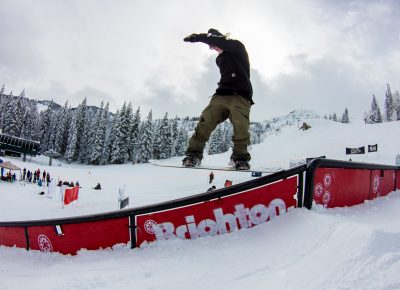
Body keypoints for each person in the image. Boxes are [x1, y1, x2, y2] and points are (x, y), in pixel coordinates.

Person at [182, 28, 253, 170]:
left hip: (240, 95)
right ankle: (193, 155)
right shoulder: (219, 59)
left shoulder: (236, 47)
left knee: (241, 128)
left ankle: (240, 158)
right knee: (205, 122)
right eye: (211, 47)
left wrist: (199, 37)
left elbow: (220, 42)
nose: (213, 48)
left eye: (213, 45)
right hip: (221, 95)